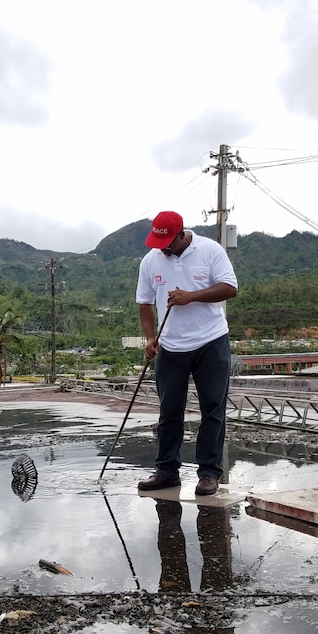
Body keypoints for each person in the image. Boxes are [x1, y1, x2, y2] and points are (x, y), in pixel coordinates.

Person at [136, 211, 237, 496]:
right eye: (158, 241)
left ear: (181, 234)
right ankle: (167, 471)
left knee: (212, 409)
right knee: (169, 411)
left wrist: (190, 296)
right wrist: (150, 337)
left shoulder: (209, 250)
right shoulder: (150, 260)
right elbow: (144, 302)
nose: (163, 247)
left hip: (211, 341)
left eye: (168, 241)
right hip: (171, 345)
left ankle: (208, 473)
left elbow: (230, 288)